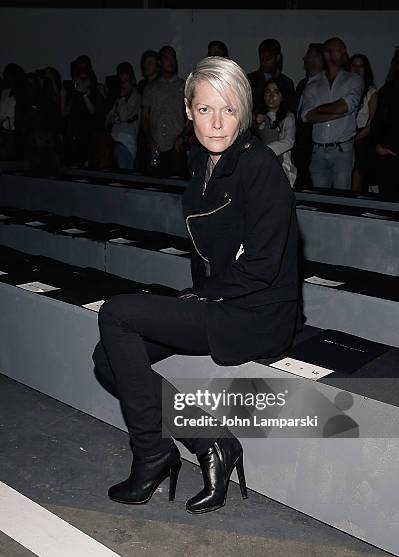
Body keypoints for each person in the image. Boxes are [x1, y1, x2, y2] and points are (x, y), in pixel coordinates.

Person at [92, 56, 298, 514]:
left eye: (229, 109)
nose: (218, 122)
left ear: (243, 112)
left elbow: (262, 267)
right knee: (108, 359)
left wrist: (202, 295)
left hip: (256, 313)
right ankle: (210, 442)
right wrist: (197, 293)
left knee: (116, 312)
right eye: (205, 110)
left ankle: (153, 454)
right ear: (188, 110)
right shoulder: (202, 167)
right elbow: (210, 256)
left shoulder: (259, 167)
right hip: (226, 299)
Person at [301, 37, 363, 191]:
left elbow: (347, 105)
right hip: (318, 152)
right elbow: (306, 116)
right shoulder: (313, 83)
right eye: (340, 48)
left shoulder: (354, 79)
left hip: (342, 151)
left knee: (341, 201)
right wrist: (338, 112)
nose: (344, 51)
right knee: (319, 200)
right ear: (328, 54)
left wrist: (320, 109)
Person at [370, 42, 399, 201]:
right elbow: (377, 123)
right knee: (391, 205)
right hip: (391, 158)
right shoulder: (388, 91)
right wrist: (378, 147)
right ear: (397, 64)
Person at [141, 45, 188, 178]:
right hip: (155, 146)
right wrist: (149, 140)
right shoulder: (150, 88)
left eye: (173, 57)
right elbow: (145, 118)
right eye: (167, 58)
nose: (171, 61)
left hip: (176, 148)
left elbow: (193, 116)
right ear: (160, 62)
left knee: (176, 187)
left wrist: (183, 136)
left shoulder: (184, 86)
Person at [254, 78, 296, 187]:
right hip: (258, 166)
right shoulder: (257, 116)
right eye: (268, 92)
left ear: (282, 97)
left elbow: (289, 141)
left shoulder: (288, 117)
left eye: (276, 92)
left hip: (281, 167)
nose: (271, 96)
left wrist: (264, 151)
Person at [293, 43, 324, 189]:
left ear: (319, 58)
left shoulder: (326, 84)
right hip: (299, 141)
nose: (304, 58)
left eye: (309, 55)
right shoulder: (302, 83)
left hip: (314, 141)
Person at [349, 54, 378, 193]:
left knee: (357, 174)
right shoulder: (345, 90)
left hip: (362, 138)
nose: (357, 69)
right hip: (343, 135)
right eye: (354, 65)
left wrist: (355, 138)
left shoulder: (371, 91)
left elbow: (372, 123)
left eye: (360, 66)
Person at [106, 62, 141, 170]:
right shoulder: (119, 98)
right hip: (113, 141)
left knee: (124, 176)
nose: (123, 85)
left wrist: (121, 99)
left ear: (132, 81)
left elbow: (124, 116)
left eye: (126, 81)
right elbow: (107, 120)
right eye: (121, 82)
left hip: (126, 143)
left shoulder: (136, 97)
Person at [248, 38, 296, 115]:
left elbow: (291, 108)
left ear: (277, 58)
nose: (263, 63)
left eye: (268, 59)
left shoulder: (286, 82)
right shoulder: (251, 80)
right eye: (261, 59)